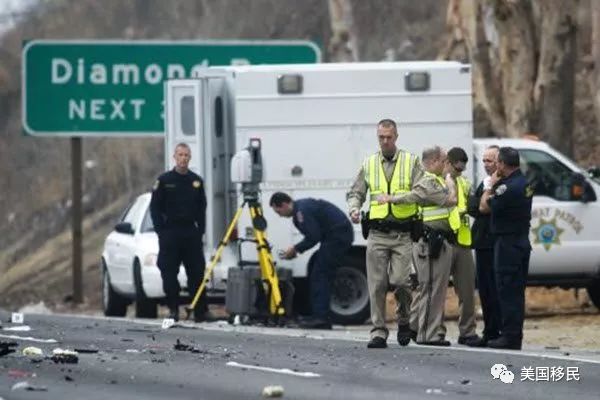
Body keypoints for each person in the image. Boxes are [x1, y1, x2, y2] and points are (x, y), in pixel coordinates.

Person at [347, 118, 424, 349]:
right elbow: (356, 192)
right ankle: (378, 331)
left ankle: (403, 320)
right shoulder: (369, 163)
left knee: (401, 282)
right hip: (377, 234)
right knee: (377, 284)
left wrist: (396, 199)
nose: (385, 141)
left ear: (396, 137)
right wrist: (353, 208)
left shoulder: (411, 162)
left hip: (402, 234)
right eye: (381, 137)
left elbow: (421, 192)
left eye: (389, 137)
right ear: (377, 137)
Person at [379, 146, 458, 346]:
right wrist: (450, 183)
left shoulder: (433, 179)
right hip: (430, 242)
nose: (445, 164)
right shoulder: (429, 181)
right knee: (432, 289)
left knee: (429, 288)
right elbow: (451, 200)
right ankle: (427, 335)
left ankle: (415, 327)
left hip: (438, 240)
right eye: (443, 160)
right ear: (432, 162)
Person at [270, 192, 354, 330]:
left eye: (278, 210)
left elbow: (313, 236)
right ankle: (319, 315)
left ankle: (321, 318)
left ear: (284, 205)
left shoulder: (301, 211)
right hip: (336, 236)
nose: (279, 214)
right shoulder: (301, 208)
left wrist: (295, 249)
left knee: (320, 275)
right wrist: (297, 250)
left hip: (337, 237)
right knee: (320, 273)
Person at [480, 146, 533, 350]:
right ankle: (514, 334)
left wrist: (489, 186)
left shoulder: (506, 187)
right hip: (521, 242)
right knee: (517, 291)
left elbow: (485, 206)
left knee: (507, 290)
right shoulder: (525, 182)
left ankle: (510, 336)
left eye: (497, 163)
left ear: (501, 164)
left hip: (507, 244)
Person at [150, 143, 208, 322]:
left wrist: (201, 232)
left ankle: (200, 311)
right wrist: (161, 231)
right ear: (174, 157)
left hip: (190, 232)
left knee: (197, 272)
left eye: (186, 155)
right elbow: (155, 208)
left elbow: (201, 208)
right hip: (171, 233)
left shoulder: (196, 181)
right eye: (180, 155)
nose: (183, 158)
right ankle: (173, 309)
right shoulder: (165, 180)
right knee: (169, 272)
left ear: (190, 158)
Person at [438, 147, 480, 346]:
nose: (459, 172)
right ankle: (436, 331)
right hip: (443, 242)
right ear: (447, 163)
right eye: (456, 168)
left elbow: (474, 207)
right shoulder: (437, 183)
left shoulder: (465, 183)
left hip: (462, 243)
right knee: (438, 291)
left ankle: (467, 331)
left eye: (462, 169)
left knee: (467, 292)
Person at [467, 145, 502, 347]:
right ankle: (489, 331)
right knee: (485, 290)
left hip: (494, 243)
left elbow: (485, 208)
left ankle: (496, 331)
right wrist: (481, 206)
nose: (486, 165)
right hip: (481, 243)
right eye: (484, 161)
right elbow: (473, 207)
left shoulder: (500, 184)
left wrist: (481, 206)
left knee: (495, 289)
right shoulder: (485, 182)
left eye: (490, 160)